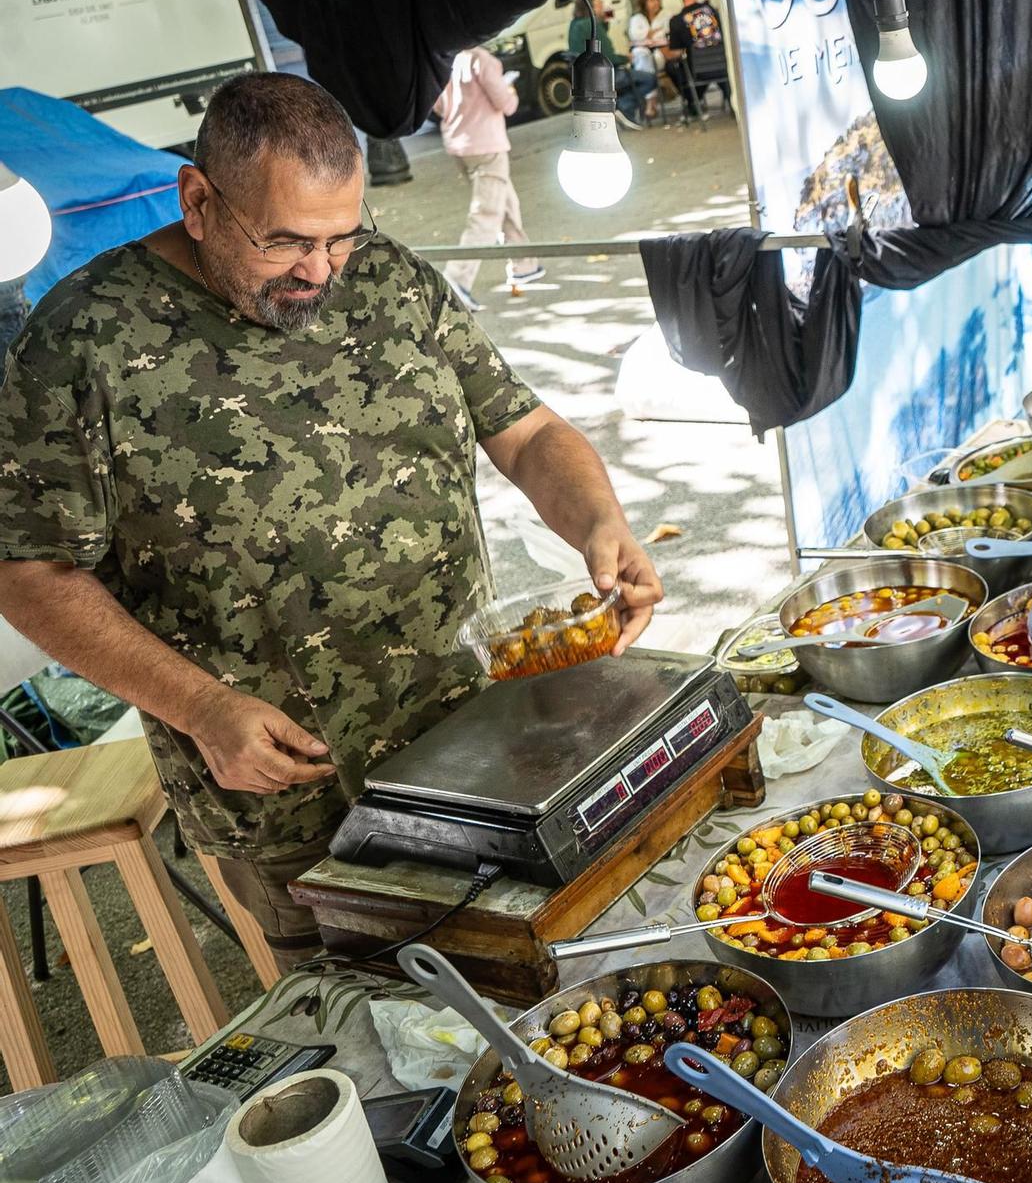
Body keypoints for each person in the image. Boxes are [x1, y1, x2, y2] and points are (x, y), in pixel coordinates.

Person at [0, 73, 664, 971]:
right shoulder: (82, 342)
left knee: (536, 976)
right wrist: (198, 706)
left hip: (481, 740)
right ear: (197, 199)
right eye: (285, 242)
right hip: (292, 796)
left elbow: (528, 428)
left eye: (339, 238)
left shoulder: (388, 276)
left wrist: (600, 522)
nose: (320, 270)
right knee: (372, 1028)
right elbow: (30, 572)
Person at [435, 45, 543, 306]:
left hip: (459, 145)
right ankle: (457, 280)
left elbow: (437, 105)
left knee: (505, 203)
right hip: (488, 146)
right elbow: (507, 105)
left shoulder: (445, 58)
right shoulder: (482, 60)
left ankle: (524, 263)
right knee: (486, 215)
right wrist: (511, 90)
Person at [566, 0, 651, 129]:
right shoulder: (591, 24)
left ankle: (621, 108)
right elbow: (608, 57)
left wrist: (603, 22)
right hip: (603, 77)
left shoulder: (575, 24)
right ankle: (624, 106)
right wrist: (627, 58)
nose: (602, 5)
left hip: (585, 78)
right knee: (649, 79)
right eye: (599, 2)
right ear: (590, 5)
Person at [661, 0, 731, 122]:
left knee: (671, 66)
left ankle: (693, 101)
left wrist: (662, 50)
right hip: (723, 67)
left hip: (698, 73)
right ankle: (729, 96)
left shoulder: (677, 21)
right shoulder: (712, 11)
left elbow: (675, 52)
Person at [627, 0, 669, 125]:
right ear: (644, 2)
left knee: (651, 58)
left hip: (659, 53)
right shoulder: (636, 19)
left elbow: (664, 34)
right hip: (641, 54)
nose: (655, 2)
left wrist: (647, 35)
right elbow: (635, 36)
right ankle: (652, 102)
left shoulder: (664, 16)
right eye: (651, 0)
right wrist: (651, 33)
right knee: (643, 55)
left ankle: (649, 103)